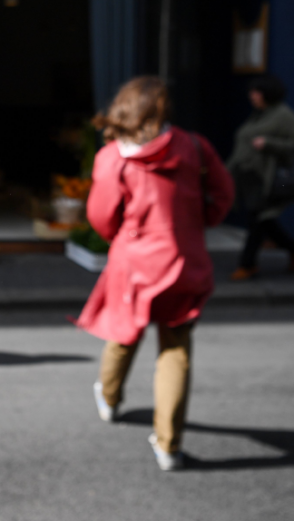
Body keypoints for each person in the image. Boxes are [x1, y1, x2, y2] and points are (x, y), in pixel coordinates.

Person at [75, 77, 234, 471]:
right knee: (176, 348)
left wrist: (122, 236)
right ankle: (169, 445)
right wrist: (198, 224)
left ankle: (110, 399)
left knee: (123, 334)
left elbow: (100, 215)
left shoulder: (114, 157)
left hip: (134, 263)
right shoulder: (194, 146)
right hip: (183, 259)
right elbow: (224, 193)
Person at [226, 75, 294, 280]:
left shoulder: (283, 116)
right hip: (250, 176)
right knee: (264, 221)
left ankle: (247, 264)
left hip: (269, 178)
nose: (252, 96)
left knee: (259, 220)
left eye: (256, 92)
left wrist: (268, 143)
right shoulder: (258, 115)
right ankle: (290, 249)